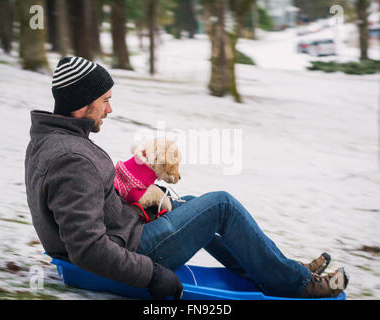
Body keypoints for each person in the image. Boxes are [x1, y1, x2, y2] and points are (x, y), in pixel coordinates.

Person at [25, 57, 348, 300]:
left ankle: (275, 270)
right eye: (105, 100)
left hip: (126, 232)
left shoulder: (53, 140)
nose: (110, 109)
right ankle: (297, 284)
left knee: (193, 204)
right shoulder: (72, 158)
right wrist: (151, 275)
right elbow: (88, 249)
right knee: (220, 205)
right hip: (133, 251)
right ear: (82, 104)